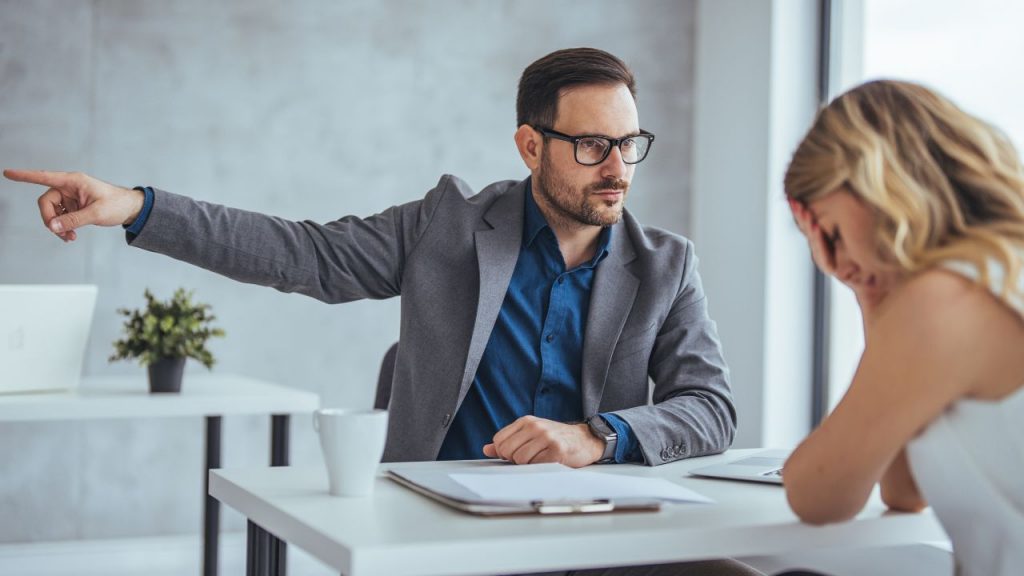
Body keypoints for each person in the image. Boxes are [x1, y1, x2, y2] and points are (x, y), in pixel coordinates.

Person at [6, 48, 758, 576]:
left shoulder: (666, 264)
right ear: (532, 145)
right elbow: (300, 252)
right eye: (593, 146)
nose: (618, 169)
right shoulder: (448, 226)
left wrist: (597, 438)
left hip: (598, 539)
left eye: (629, 143)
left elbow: (711, 409)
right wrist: (139, 207)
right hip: (445, 542)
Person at [782, 79, 1024, 576]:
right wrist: (873, 300)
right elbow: (905, 491)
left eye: (828, 232)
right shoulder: (997, 272)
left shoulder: (947, 300)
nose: (836, 261)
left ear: (872, 181)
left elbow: (817, 496)